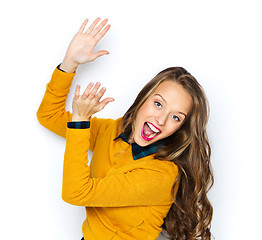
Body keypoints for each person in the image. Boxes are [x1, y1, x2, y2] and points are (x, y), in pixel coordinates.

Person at [37, 18, 214, 240]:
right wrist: (69, 63)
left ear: (181, 128)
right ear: (143, 99)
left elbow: (76, 192)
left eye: (175, 117)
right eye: (158, 104)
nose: (160, 120)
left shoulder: (163, 174)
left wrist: (81, 121)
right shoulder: (110, 131)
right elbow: (48, 117)